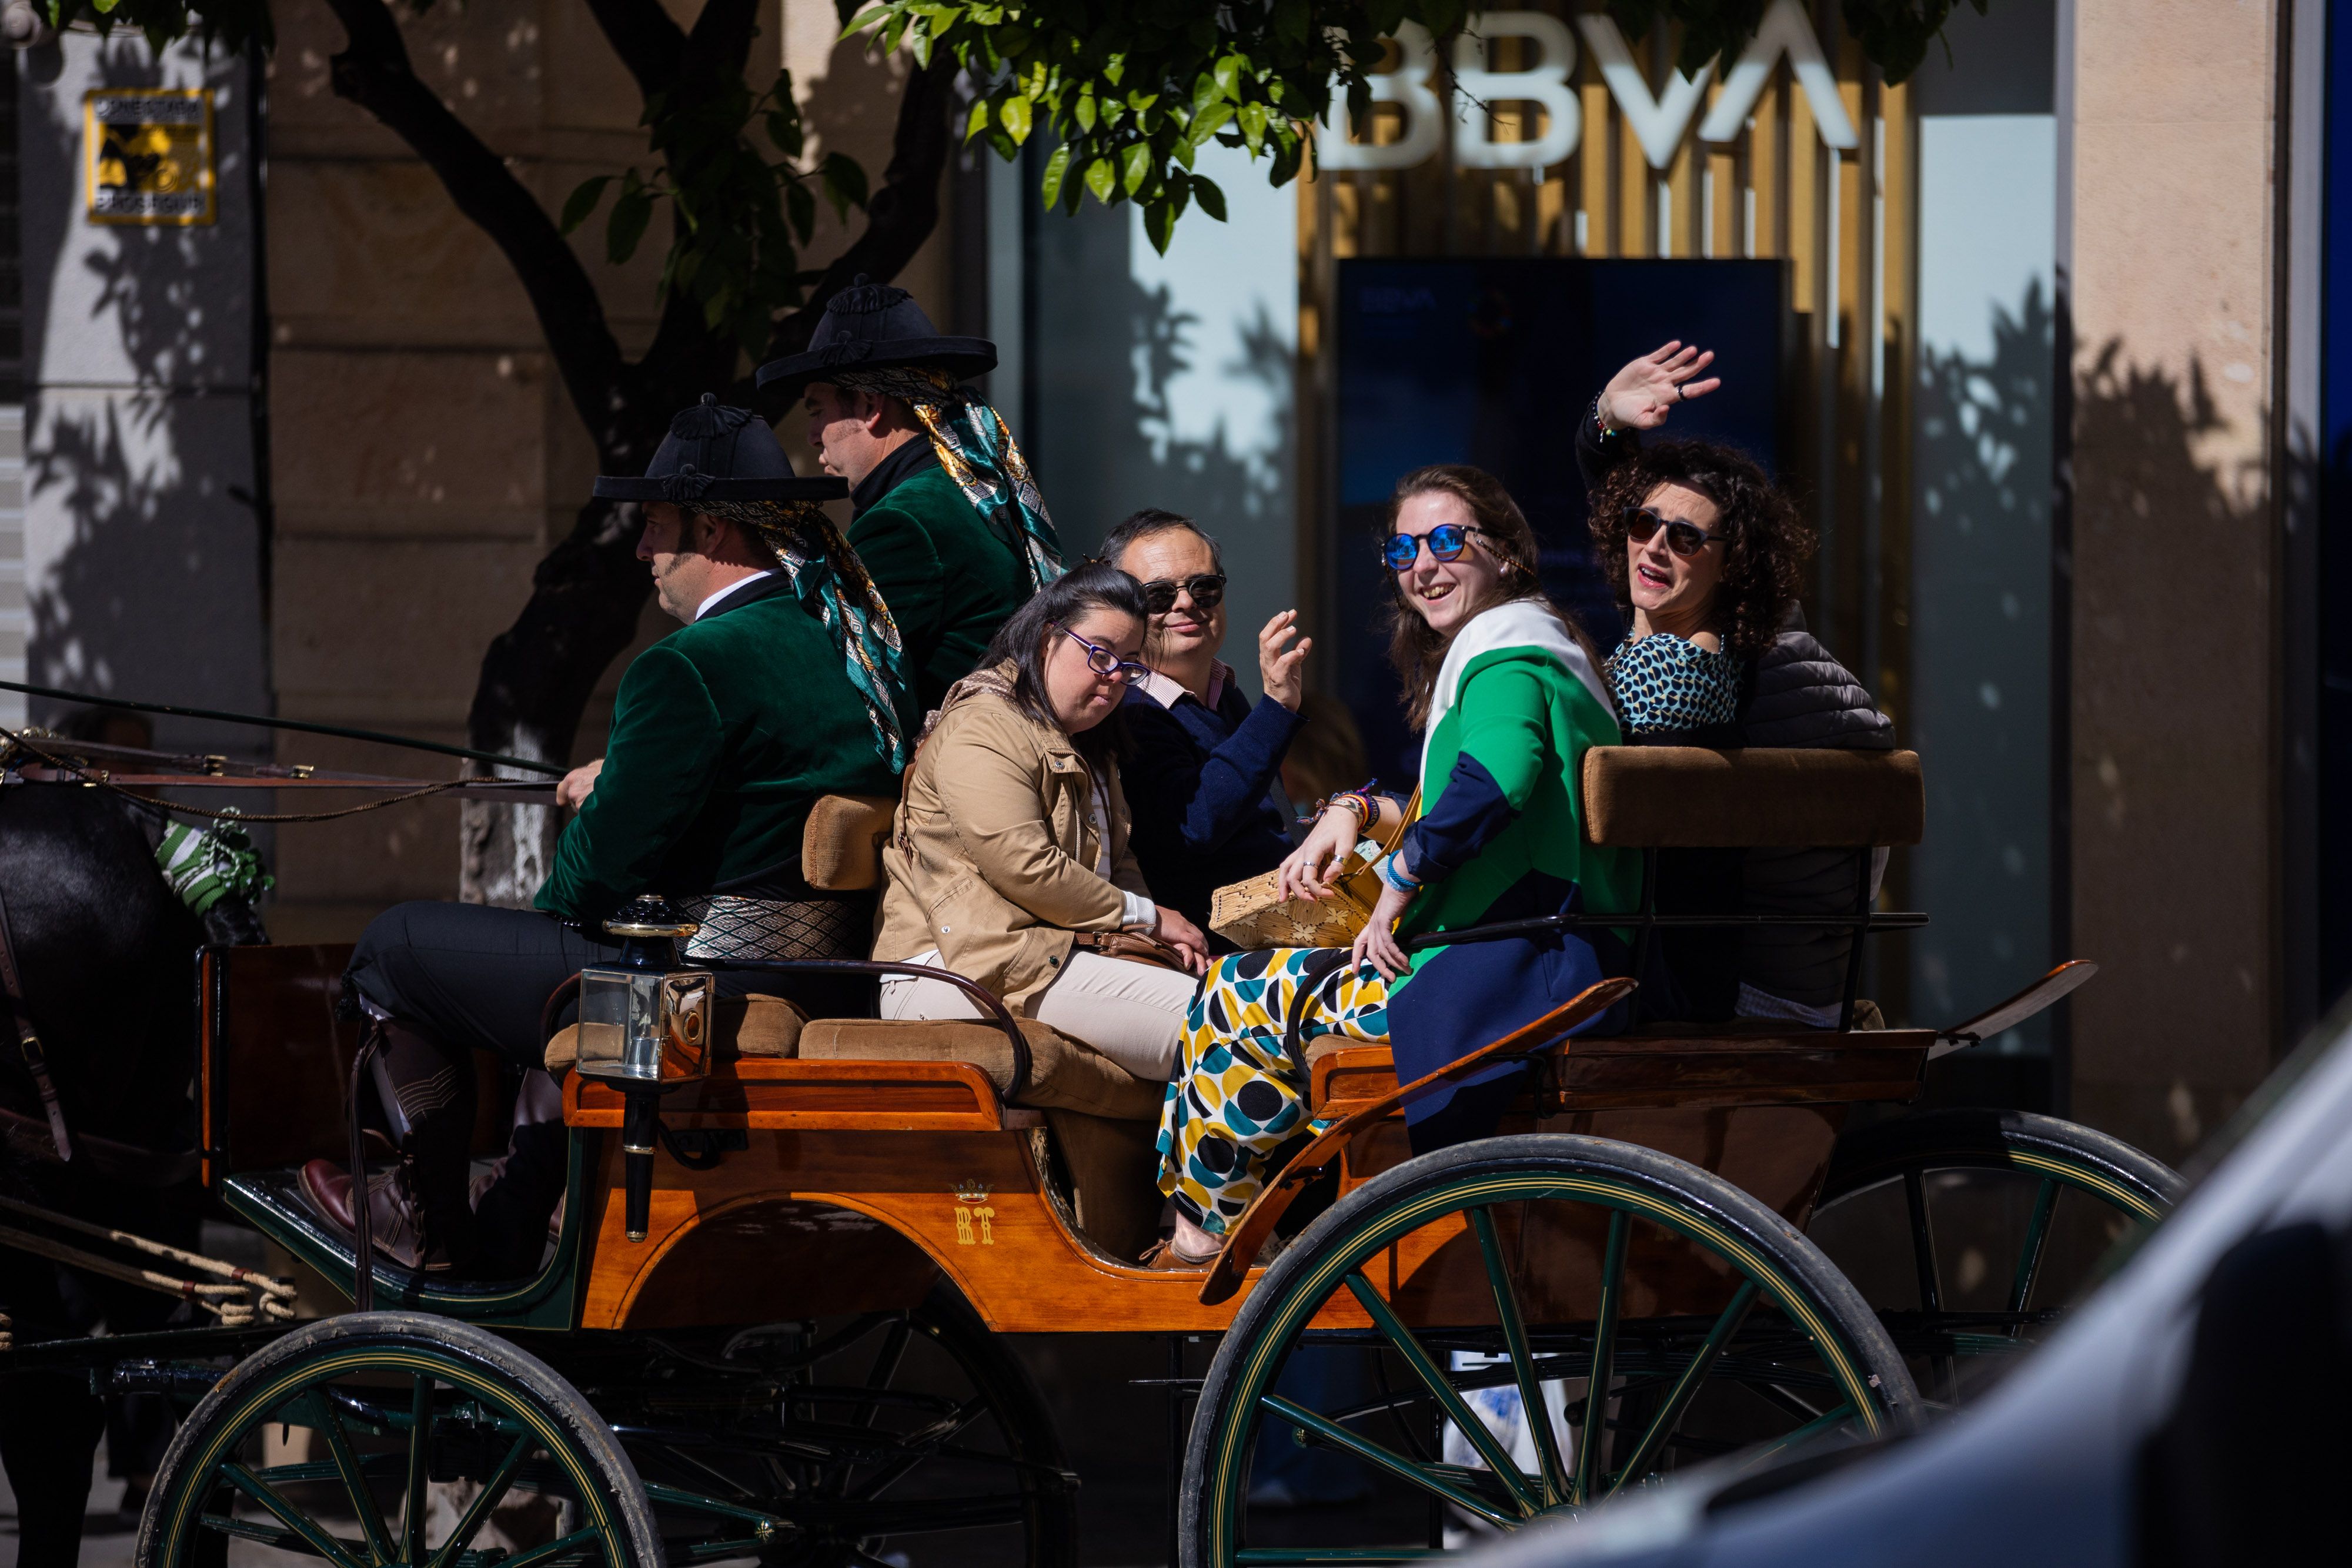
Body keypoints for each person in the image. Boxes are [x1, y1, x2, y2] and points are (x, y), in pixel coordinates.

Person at [312, 397, 908, 1275]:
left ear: (712, 528)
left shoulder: (686, 665)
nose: (641, 553)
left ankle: (426, 1220)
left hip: (696, 988)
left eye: (655, 528)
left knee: (393, 946)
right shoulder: (844, 642)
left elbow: (593, 880)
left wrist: (592, 821)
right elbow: (750, 802)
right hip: (815, 973)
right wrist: (626, 774)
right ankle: (518, 1211)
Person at [1151, 466, 1640, 1268]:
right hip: (1541, 953)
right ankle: (1229, 1221)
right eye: (1405, 547)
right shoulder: (1530, 643)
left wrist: (1401, 883)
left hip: (1520, 973)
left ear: (1507, 553)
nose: (1425, 563)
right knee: (1258, 989)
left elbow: (1499, 775)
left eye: (1450, 539)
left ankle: (1208, 1233)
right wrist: (1356, 808)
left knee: (1240, 990)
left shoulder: (1507, 655)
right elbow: (1454, 793)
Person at [1582, 342, 1897, 1025]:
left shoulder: (1689, 673)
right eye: (1642, 526)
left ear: (1734, 567)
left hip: (1722, 989)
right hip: (1805, 983)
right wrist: (1607, 422)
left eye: (1687, 540)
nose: (1655, 547)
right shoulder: (1750, 643)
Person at [873, 564, 1212, 1083]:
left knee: (1246, 1009)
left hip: (1041, 959)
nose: (1114, 676)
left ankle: (1203, 1162)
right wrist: (1150, 917)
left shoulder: (1090, 743)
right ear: (1048, 637)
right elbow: (1025, 865)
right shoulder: (984, 726)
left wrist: (1161, 942)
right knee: (1228, 1026)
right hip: (954, 970)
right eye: (1099, 654)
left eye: (1128, 665)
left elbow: (1119, 861)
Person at [759, 277, 1064, 716]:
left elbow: (825, 684)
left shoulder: (907, 522)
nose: (811, 436)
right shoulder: (970, 492)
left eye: (817, 411)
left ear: (869, 405)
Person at [1104, 509, 1310, 937]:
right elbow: (1191, 828)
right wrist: (1274, 708)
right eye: (1158, 595)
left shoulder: (1222, 692)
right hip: (1214, 957)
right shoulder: (1124, 708)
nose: (1186, 603)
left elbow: (1267, 821)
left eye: (1204, 587)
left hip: (1288, 925)